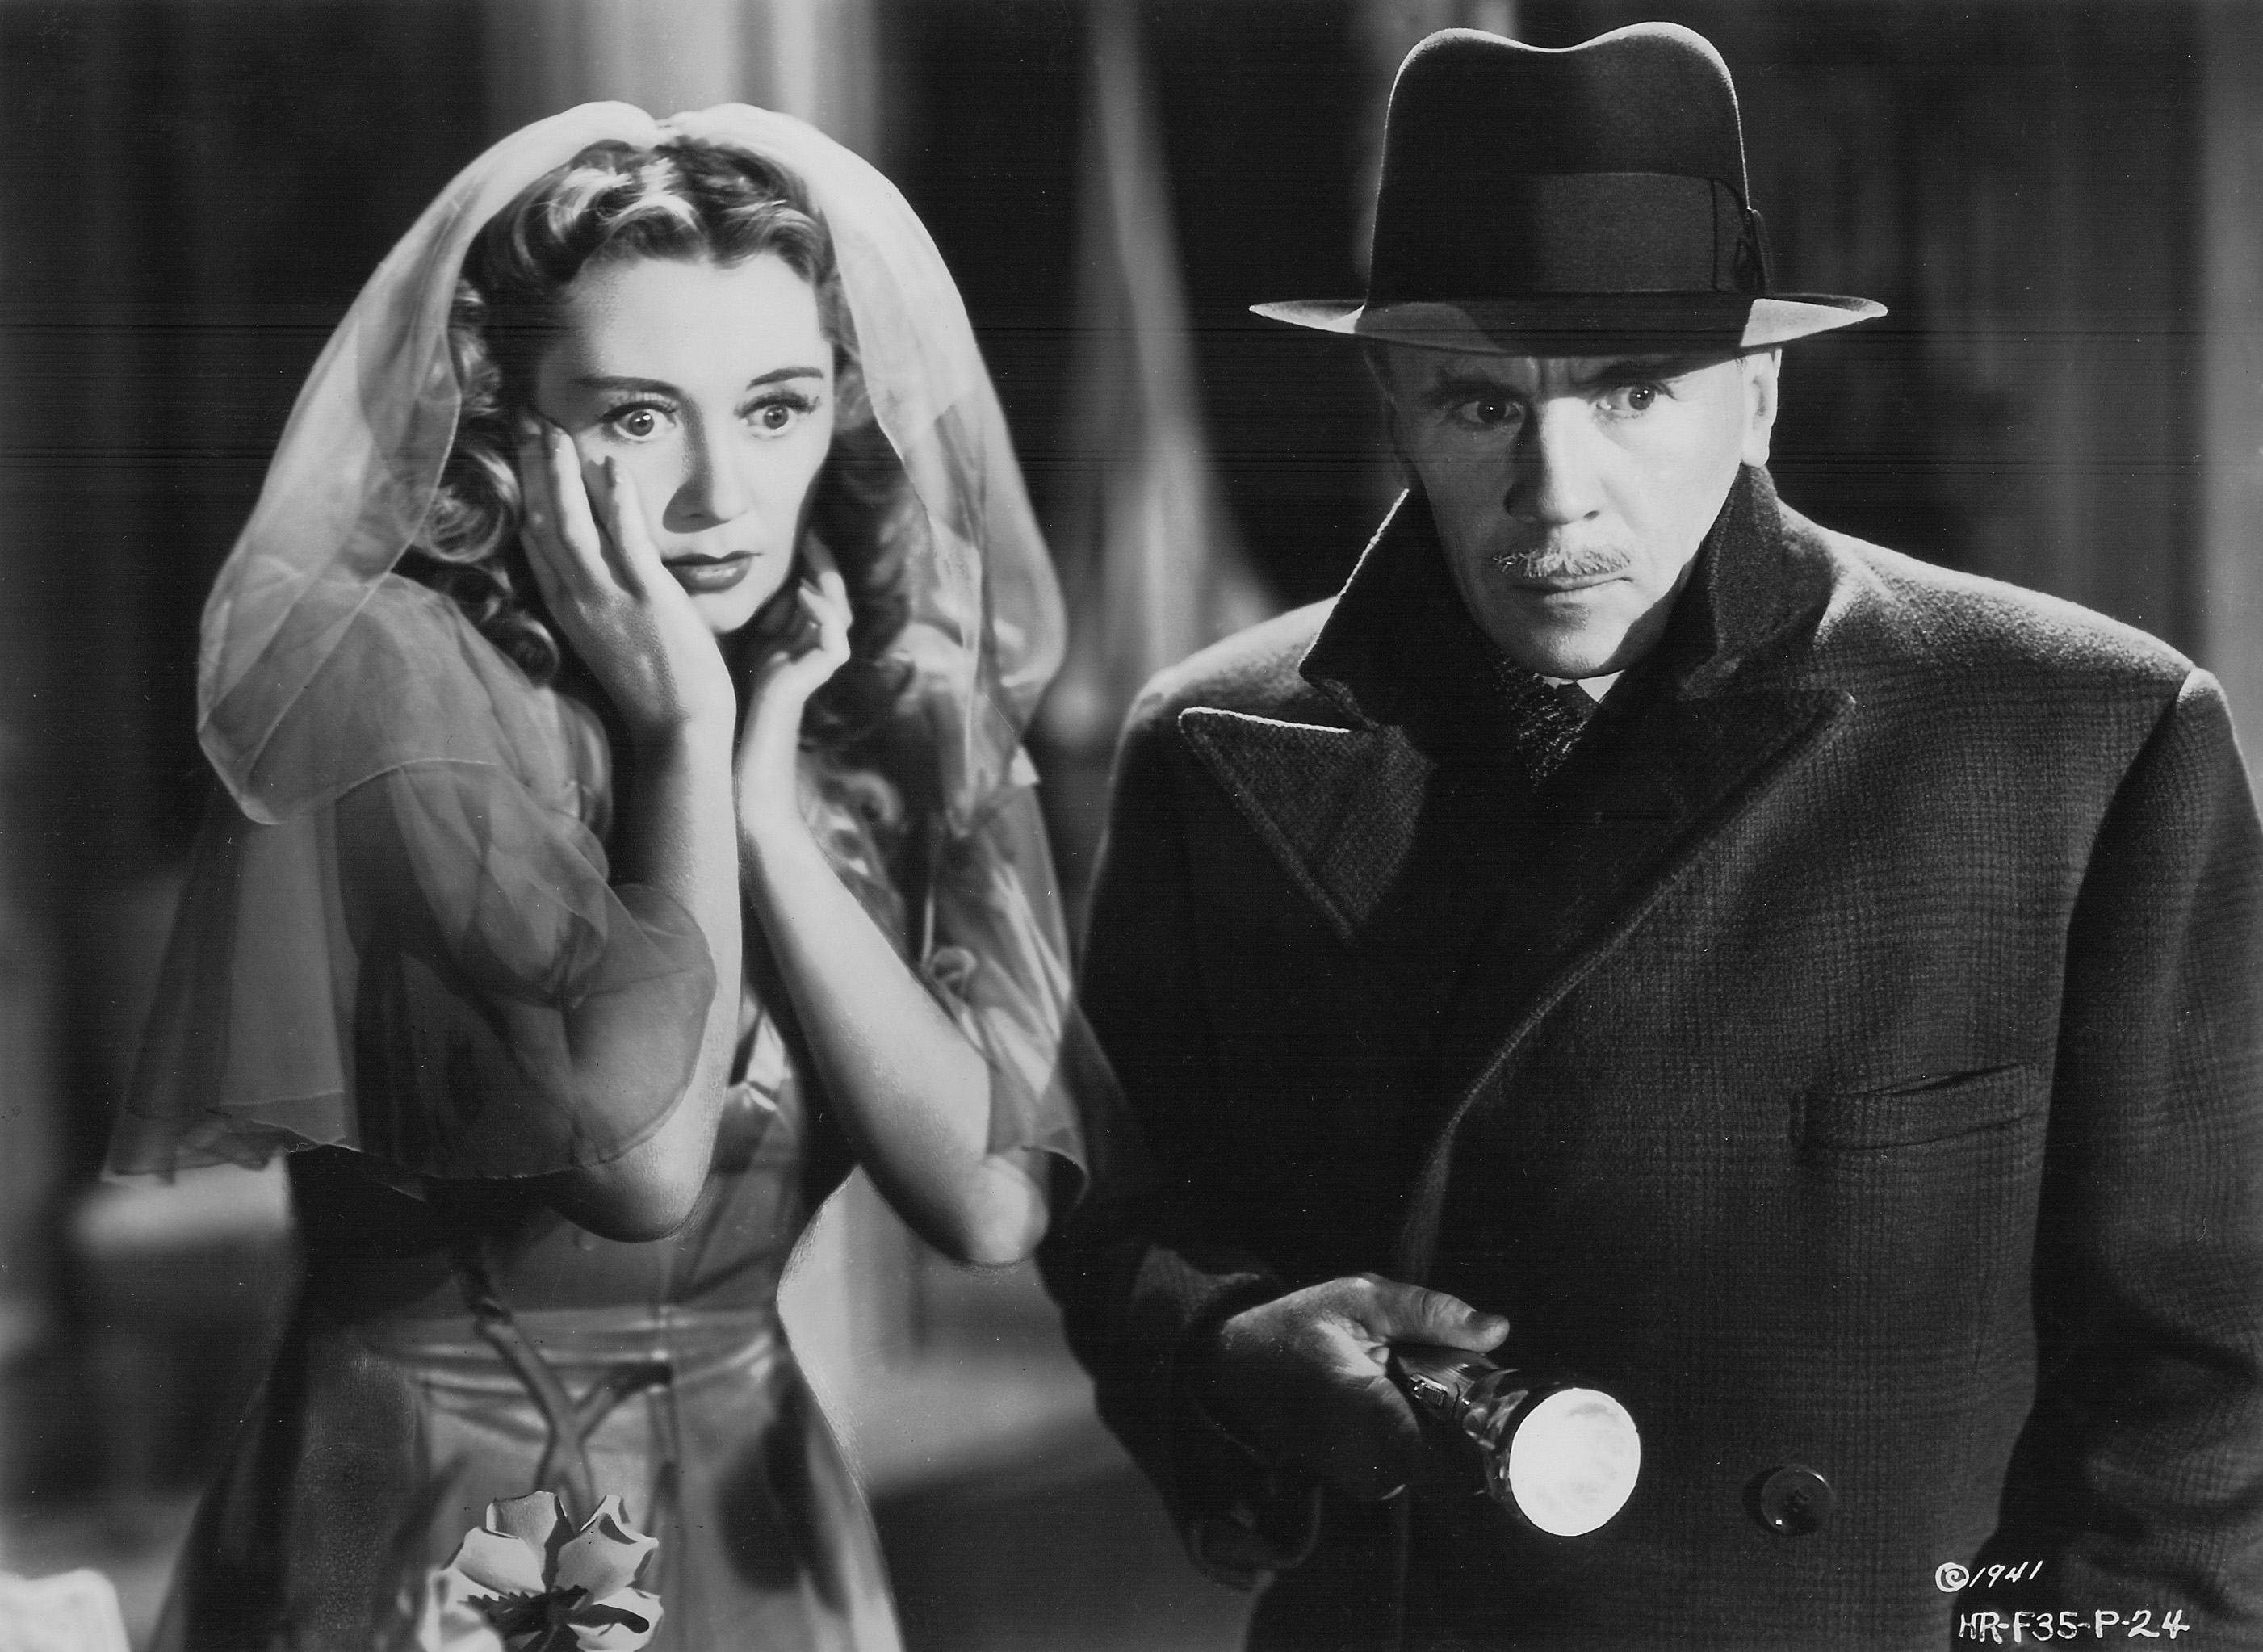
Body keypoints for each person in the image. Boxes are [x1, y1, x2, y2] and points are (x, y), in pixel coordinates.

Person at [1039, 22, 2263, 1650]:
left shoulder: (2084, 738)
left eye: (1633, 393)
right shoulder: (1210, 746)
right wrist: (1226, 1347)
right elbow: (1115, 1222)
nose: (1558, 488)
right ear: (1391, 401)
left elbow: (2205, 1400)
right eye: (1483, 401)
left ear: (1757, 397)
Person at [111, 103, 1102, 1652]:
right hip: (440, 1524)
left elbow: (987, 1204)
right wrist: (684, 737)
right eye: (639, 417)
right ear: (507, 421)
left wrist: (769, 815)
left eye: (774, 409)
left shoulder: (874, 709)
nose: (720, 496)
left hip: (757, 1504)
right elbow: (641, 1169)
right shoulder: (394, 683)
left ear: (839, 409)